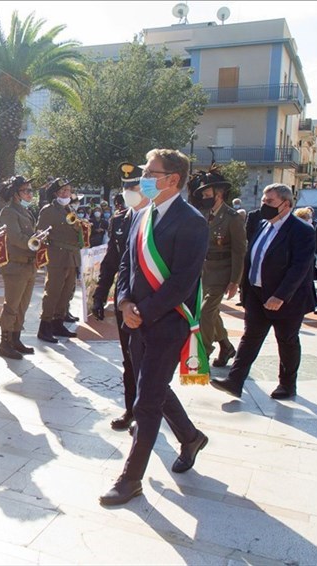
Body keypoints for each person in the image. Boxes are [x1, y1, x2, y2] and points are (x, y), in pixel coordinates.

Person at [100, 149, 209, 507]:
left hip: (167, 323)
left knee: (145, 402)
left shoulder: (192, 221)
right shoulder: (141, 216)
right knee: (154, 388)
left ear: (172, 179)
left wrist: (143, 311)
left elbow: (182, 281)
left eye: (150, 171)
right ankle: (190, 437)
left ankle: (131, 479)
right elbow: (127, 267)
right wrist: (125, 302)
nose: (143, 176)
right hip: (137, 321)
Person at [211, 184, 316, 400]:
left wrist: (281, 295)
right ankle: (234, 381)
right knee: (250, 339)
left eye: (270, 202)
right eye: (263, 201)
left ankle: (287, 385)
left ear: (285, 205)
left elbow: (300, 267)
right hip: (257, 295)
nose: (264, 206)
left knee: (286, 340)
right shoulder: (262, 224)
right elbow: (251, 257)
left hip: (287, 299)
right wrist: (244, 287)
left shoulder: (302, 231)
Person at [92, 163, 146, 431]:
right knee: (129, 360)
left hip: (152, 305)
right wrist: (100, 294)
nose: (129, 192)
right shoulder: (119, 220)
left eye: (134, 187)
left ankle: (149, 413)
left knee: (150, 365)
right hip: (125, 302)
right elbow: (112, 261)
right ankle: (131, 410)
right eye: (125, 188)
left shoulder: (156, 217)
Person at [188, 167, 247, 367]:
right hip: (204, 270)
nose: (204, 198)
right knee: (212, 313)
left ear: (218, 194)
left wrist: (235, 281)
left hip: (222, 272)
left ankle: (202, 354)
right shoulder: (204, 214)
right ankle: (226, 345)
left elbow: (239, 251)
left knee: (205, 312)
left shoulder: (233, 218)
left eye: (207, 194)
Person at [0, 176, 38, 360]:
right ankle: (4, 342)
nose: (30, 193)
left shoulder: (25, 211)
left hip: (28, 265)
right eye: (26, 190)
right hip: (15, 265)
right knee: (12, 305)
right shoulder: (8, 212)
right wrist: (35, 243)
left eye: (30, 190)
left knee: (22, 306)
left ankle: (15, 338)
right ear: (15, 194)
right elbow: (15, 237)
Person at [36, 178, 80, 342]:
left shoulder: (70, 209)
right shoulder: (48, 210)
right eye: (62, 191)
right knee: (53, 292)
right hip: (56, 255)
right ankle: (45, 325)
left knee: (66, 292)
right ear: (55, 193)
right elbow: (40, 232)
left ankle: (58, 322)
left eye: (67, 190)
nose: (65, 193)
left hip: (71, 256)